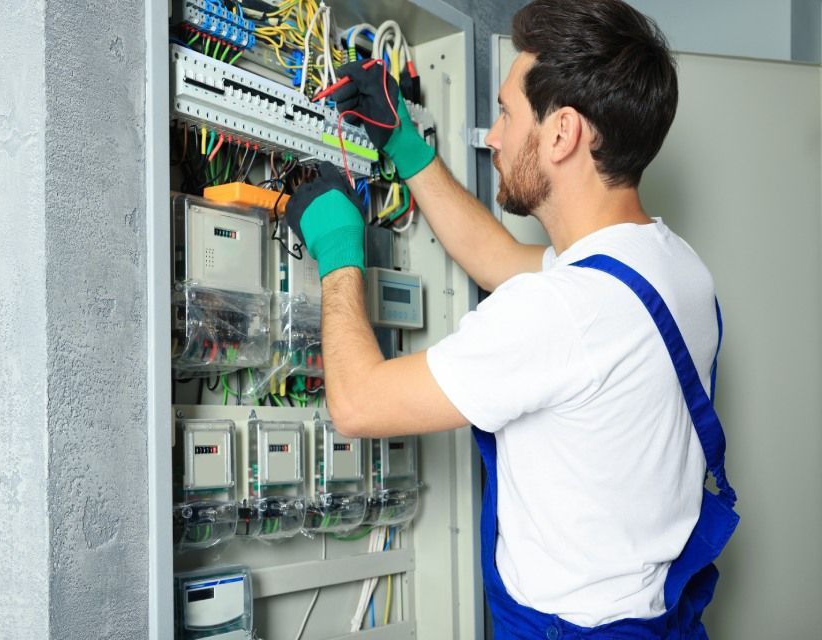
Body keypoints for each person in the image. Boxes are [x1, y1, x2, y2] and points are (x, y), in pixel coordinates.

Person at [285, 0, 739, 637]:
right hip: (659, 618)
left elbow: (357, 404)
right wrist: (405, 144)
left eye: (506, 113)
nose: (492, 136)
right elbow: (498, 260)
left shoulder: (564, 311)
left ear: (562, 133)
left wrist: (337, 249)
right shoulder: (670, 266)